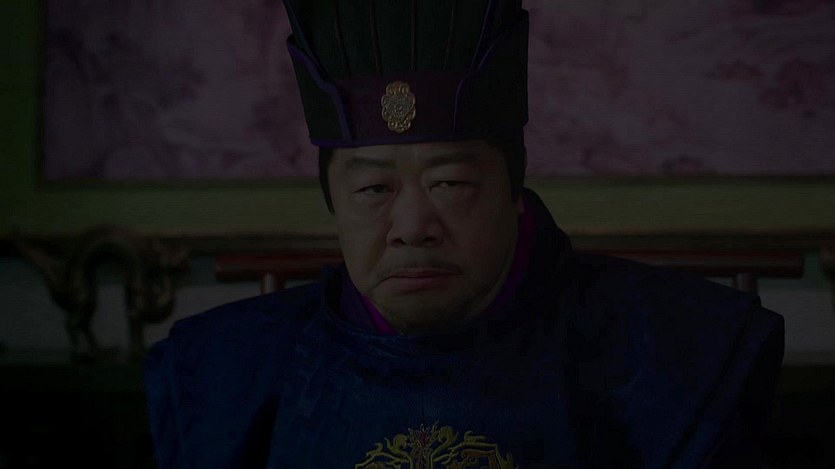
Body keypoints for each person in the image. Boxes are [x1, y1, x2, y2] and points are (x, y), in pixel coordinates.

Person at [145, 1, 784, 467]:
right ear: (333, 202)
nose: (411, 228)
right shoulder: (222, 374)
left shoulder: (673, 357)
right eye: (373, 190)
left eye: (449, 183)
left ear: (514, 192)